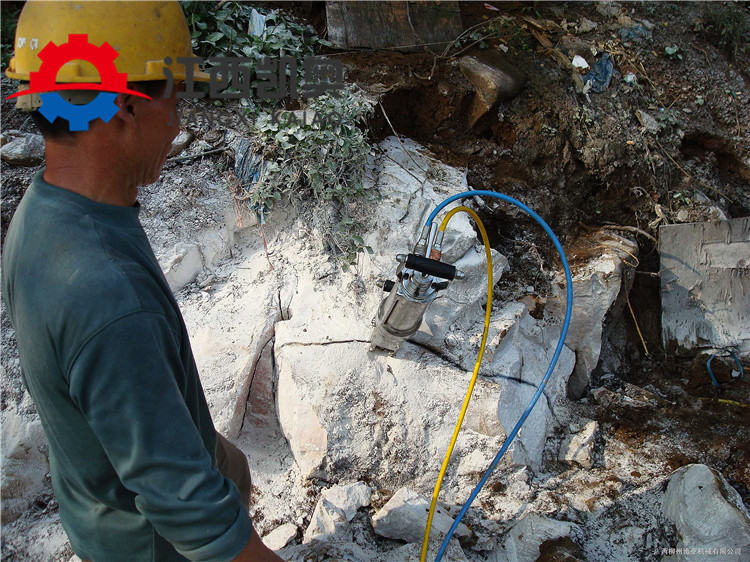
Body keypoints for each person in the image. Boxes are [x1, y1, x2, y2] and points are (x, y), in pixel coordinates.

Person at [2, 2, 282, 560]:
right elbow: (196, 519)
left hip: (104, 513)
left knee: (234, 466)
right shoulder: (105, 293)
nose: (179, 126)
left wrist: (210, 450)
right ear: (126, 109)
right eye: (175, 102)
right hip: (153, 547)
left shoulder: (48, 213)